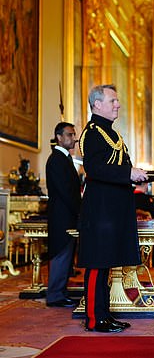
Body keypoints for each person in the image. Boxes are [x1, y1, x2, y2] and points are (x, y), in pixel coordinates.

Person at [77, 84, 148, 333]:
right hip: (101, 210)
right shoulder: (93, 132)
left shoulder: (111, 133)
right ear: (97, 104)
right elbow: (95, 169)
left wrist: (136, 176)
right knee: (98, 263)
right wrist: (129, 172)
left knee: (106, 262)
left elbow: (117, 166)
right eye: (113, 101)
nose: (118, 104)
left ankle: (105, 314)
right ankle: (95, 319)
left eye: (117, 101)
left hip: (113, 208)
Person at [45, 122, 81, 307]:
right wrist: (80, 210)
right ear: (59, 137)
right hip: (62, 216)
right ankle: (55, 295)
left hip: (67, 215)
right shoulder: (57, 159)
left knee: (67, 256)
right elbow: (66, 191)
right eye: (69, 134)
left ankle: (61, 292)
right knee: (61, 255)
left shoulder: (64, 158)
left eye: (74, 134)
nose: (73, 138)